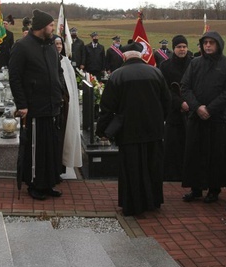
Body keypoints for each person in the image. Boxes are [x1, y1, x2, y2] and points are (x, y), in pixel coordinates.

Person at [97, 42, 170, 216]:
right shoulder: (156, 72)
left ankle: (133, 204)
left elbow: (107, 107)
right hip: (153, 130)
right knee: (152, 166)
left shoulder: (117, 75)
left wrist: (102, 130)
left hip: (128, 131)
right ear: (141, 55)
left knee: (132, 168)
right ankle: (153, 201)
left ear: (124, 56)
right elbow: (166, 102)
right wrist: (160, 121)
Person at [9, 9, 64, 200]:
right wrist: (22, 104)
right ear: (41, 26)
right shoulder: (22, 46)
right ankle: (34, 184)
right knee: (35, 148)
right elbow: (14, 77)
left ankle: (48, 182)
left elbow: (58, 72)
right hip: (33, 107)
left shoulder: (50, 46)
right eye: (50, 25)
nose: (53, 28)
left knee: (50, 148)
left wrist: (60, 94)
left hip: (51, 105)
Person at [181, 31, 226, 203]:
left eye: (211, 42)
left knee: (216, 156)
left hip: (217, 118)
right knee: (194, 154)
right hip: (197, 118)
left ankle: (214, 189)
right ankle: (195, 188)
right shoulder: (195, 63)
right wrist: (197, 107)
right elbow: (185, 87)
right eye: (205, 42)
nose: (207, 46)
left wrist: (210, 109)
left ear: (218, 44)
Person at [158, 35, 192, 182]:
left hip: (191, 110)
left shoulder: (194, 64)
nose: (182, 49)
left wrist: (190, 103)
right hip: (173, 112)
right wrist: (180, 103)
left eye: (184, 46)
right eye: (179, 47)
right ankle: (172, 175)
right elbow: (165, 89)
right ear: (174, 48)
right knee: (173, 145)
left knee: (189, 145)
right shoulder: (165, 65)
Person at [54, 36, 83, 173]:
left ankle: (62, 166)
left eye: (60, 44)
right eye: (56, 43)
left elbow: (70, 84)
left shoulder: (66, 61)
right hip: (54, 105)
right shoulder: (50, 60)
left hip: (65, 104)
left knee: (65, 135)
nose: (59, 46)